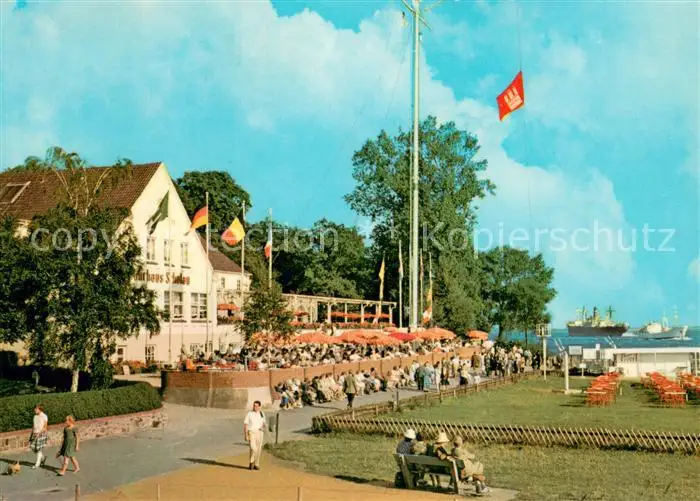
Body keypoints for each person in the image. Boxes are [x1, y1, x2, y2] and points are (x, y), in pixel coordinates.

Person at [243, 401, 267, 470]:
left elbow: (264, 423)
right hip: (251, 432)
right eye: (254, 406)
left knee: (259, 449)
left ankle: (256, 464)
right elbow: (245, 424)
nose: (254, 407)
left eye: (256, 406)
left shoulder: (262, 413)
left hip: (260, 432)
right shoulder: (249, 414)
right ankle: (252, 461)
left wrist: (263, 427)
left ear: (259, 406)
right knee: (253, 448)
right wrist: (246, 435)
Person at [29, 404, 48, 469]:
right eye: (34, 409)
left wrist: (39, 433)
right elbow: (34, 426)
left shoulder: (44, 416)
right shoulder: (35, 416)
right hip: (35, 434)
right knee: (34, 449)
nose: (34, 410)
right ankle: (43, 458)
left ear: (40, 409)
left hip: (41, 434)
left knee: (38, 449)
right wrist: (31, 434)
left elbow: (45, 427)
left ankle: (37, 464)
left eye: (36, 409)